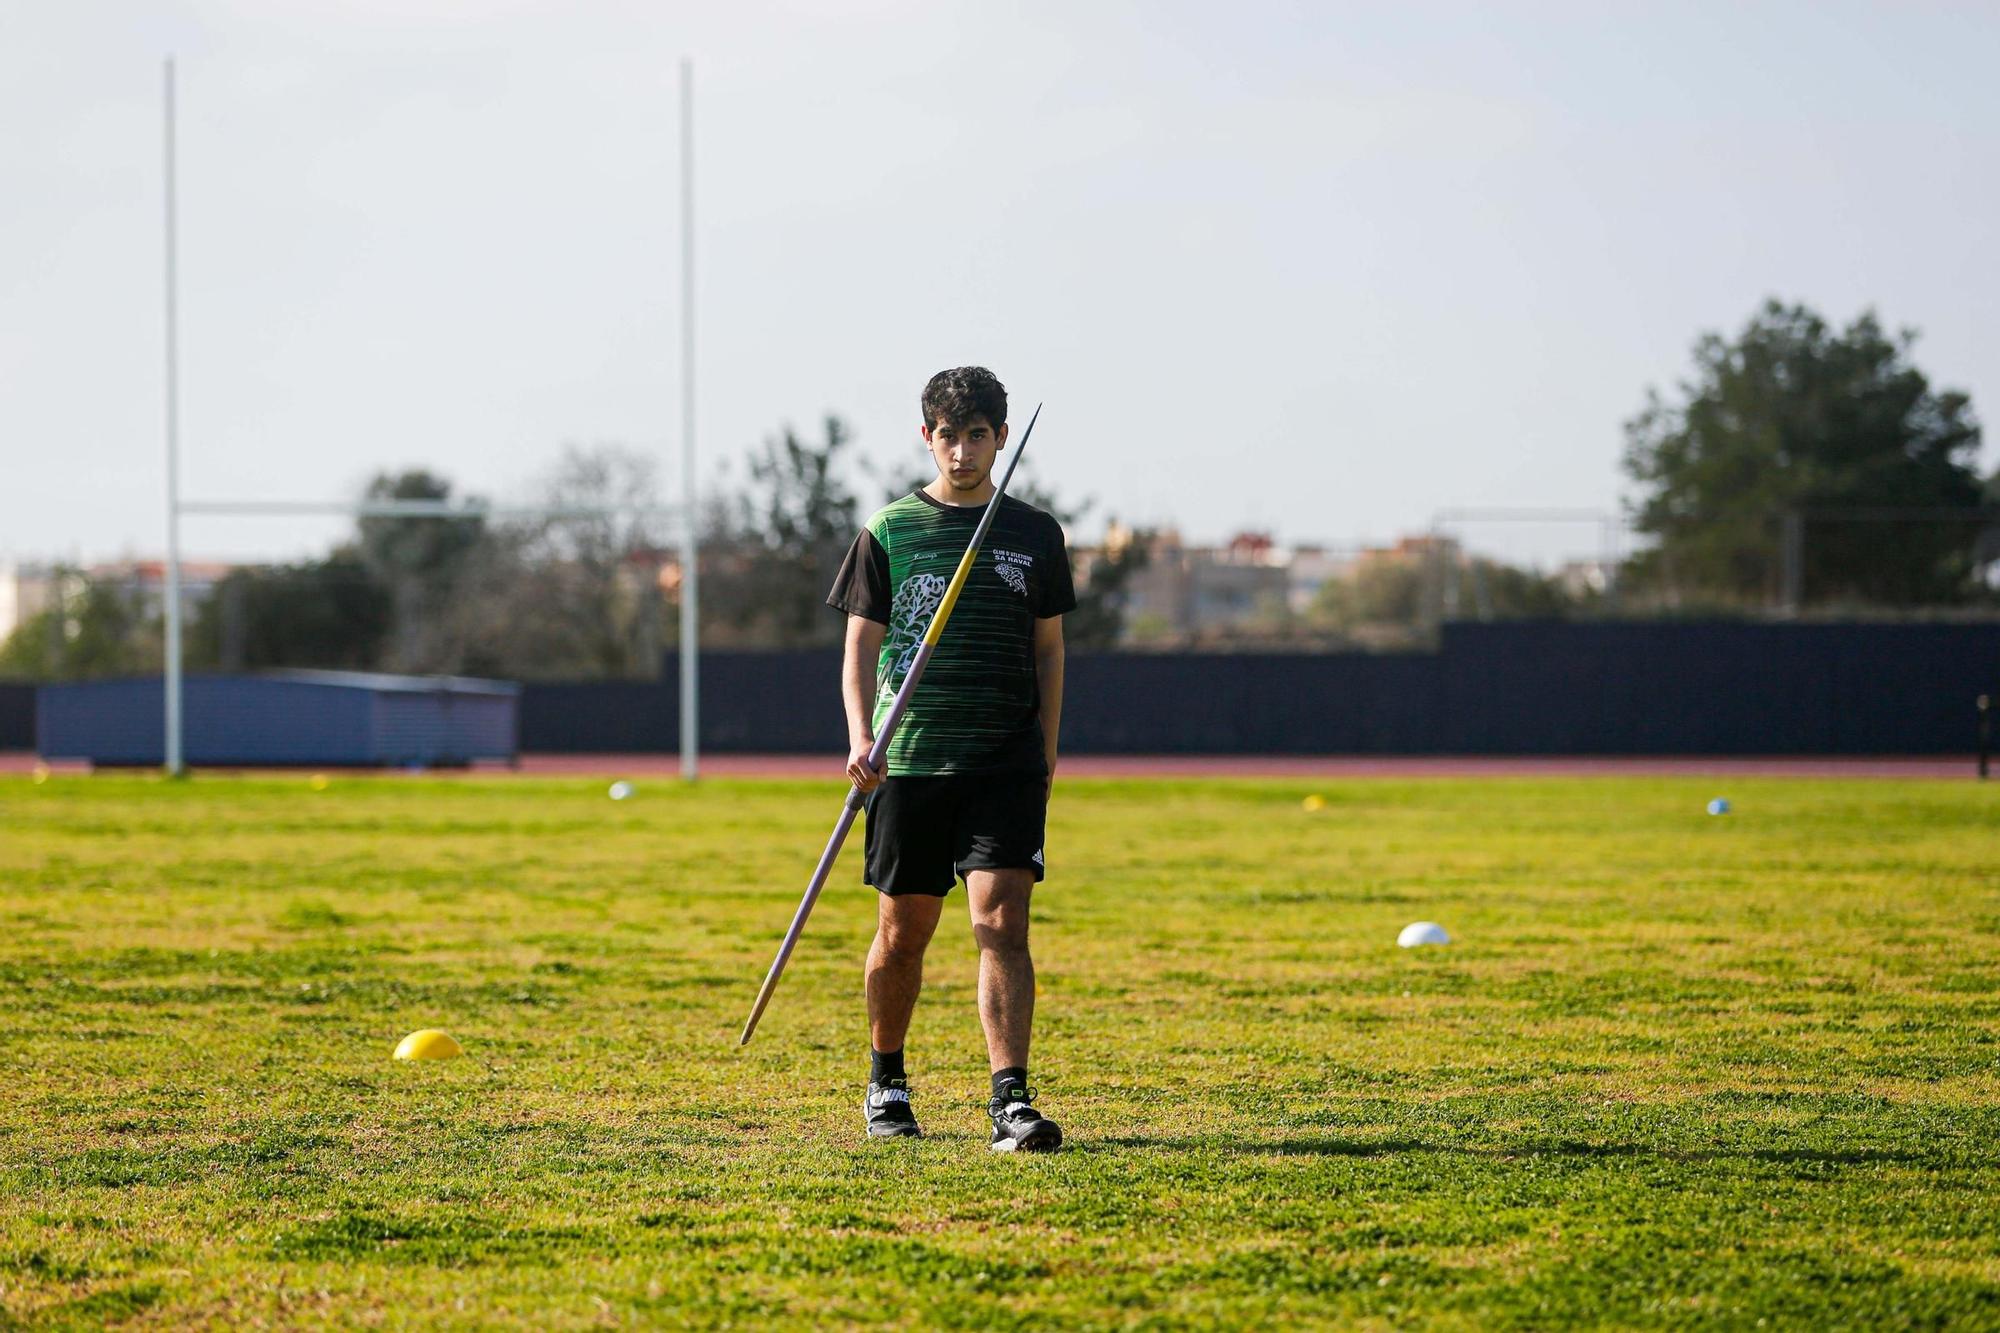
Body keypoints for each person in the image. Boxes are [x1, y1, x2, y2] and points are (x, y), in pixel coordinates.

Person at [825, 366, 1075, 1152]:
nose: (961, 452)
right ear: (924, 436)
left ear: (1001, 438)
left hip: (1003, 760)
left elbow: (1050, 651)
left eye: (976, 436)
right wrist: (862, 739)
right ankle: (886, 1082)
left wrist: (1048, 751)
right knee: (904, 932)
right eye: (947, 435)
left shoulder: (1035, 535)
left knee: (1001, 922)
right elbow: (859, 648)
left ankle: (1011, 1101)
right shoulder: (890, 529)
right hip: (910, 761)